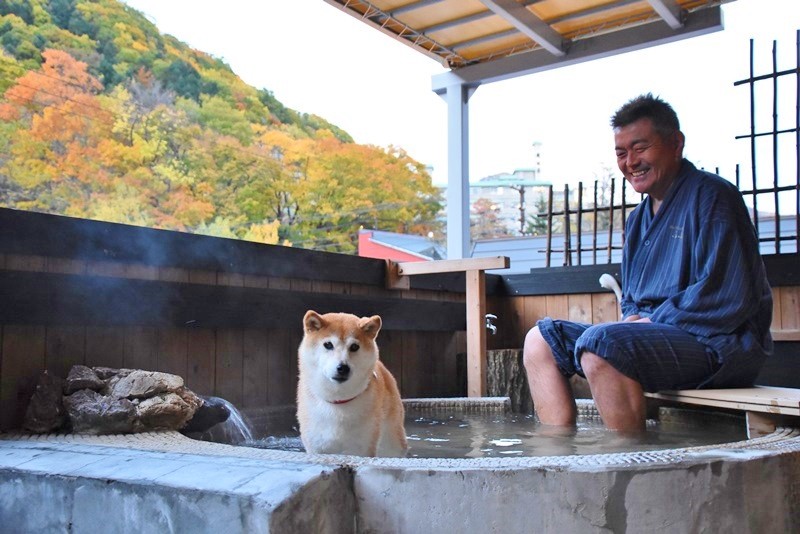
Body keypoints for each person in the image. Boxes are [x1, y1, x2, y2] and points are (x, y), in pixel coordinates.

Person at [522, 93, 773, 432]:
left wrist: (652, 320)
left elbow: (729, 293)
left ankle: (630, 459)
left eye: (640, 148)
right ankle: (561, 451)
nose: (631, 162)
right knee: (540, 340)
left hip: (718, 344)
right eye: (621, 153)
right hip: (656, 339)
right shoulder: (637, 220)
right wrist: (634, 319)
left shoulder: (713, 197)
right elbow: (632, 297)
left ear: (676, 143)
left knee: (602, 345)